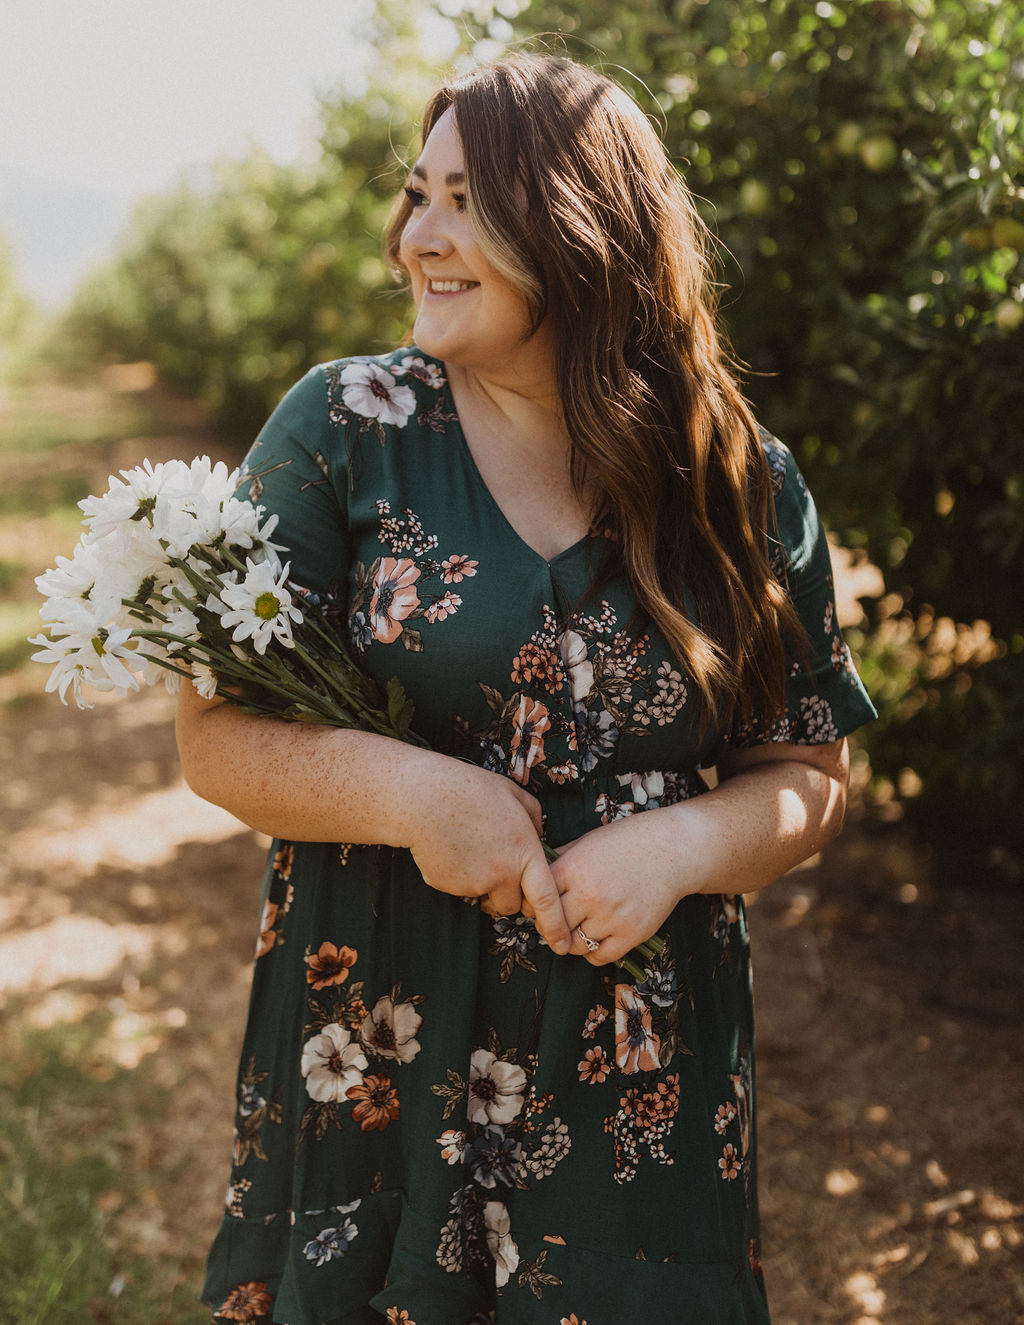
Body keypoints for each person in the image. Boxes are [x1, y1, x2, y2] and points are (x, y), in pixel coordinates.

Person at [176, 52, 875, 1325]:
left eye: (462, 203)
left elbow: (809, 774)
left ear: (577, 225)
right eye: (415, 196)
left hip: (636, 1061)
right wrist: (408, 789)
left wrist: (680, 843)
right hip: (377, 1029)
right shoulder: (346, 426)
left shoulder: (739, 481)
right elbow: (217, 736)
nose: (416, 239)